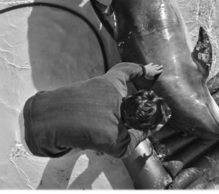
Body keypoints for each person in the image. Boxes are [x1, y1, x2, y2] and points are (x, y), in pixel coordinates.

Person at [22, 62, 171, 159]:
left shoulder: (113, 81)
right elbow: (126, 149)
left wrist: (144, 69)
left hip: (32, 104)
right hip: (35, 144)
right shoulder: (114, 139)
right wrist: (148, 130)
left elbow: (123, 69)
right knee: (79, 148)